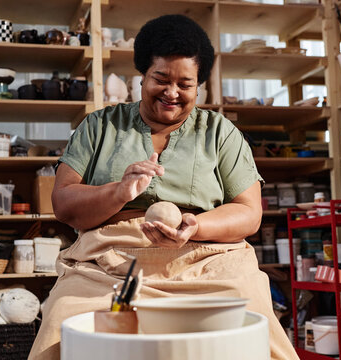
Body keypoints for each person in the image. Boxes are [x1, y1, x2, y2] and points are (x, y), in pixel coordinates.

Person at [29, 14, 299, 360]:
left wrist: (196, 226)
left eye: (185, 85)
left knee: (256, 321)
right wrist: (119, 191)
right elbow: (64, 204)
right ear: (143, 74)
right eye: (161, 79)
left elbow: (249, 213)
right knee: (62, 321)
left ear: (198, 85)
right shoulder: (99, 126)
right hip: (110, 263)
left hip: (206, 262)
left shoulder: (220, 132)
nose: (172, 93)